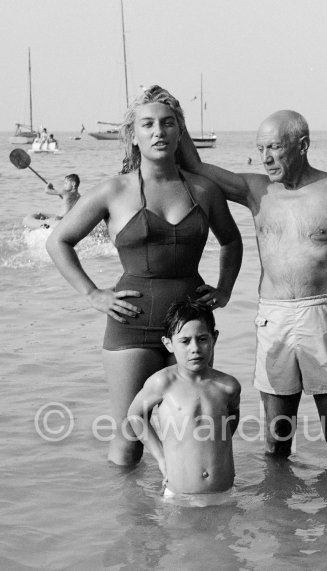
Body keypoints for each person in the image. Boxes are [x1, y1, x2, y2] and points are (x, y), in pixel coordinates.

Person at [46, 85, 242, 466]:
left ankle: (187, 515)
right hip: (130, 325)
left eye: (168, 124)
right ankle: (131, 523)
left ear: (179, 132)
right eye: (148, 124)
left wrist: (224, 291)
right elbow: (59, 242)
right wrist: (92, 294)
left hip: (189, 327)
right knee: (129, 436)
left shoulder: (203, 190)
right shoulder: (114, 191)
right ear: (133, 135)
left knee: (188, 430)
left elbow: (231, 242)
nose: (159, 132)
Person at [179, 109, 327, 466]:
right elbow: (194, 165)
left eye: (274, 147)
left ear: (302, 145)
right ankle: (278, 517)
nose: (266, 158)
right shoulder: (257, 190)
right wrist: (175, 113)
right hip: (274, 318)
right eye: (260, 149)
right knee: (276, 442)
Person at [127, 300, 240, 502]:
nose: (195, 348)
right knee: (178, 535)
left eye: (202, 339)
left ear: (214, 338)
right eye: (185, 341)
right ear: (168, 344)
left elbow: (231, 419)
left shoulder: (228, 386)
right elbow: (135, 415)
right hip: (180, 495)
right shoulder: (163, 382)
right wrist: (161, 458)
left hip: (223, 491)